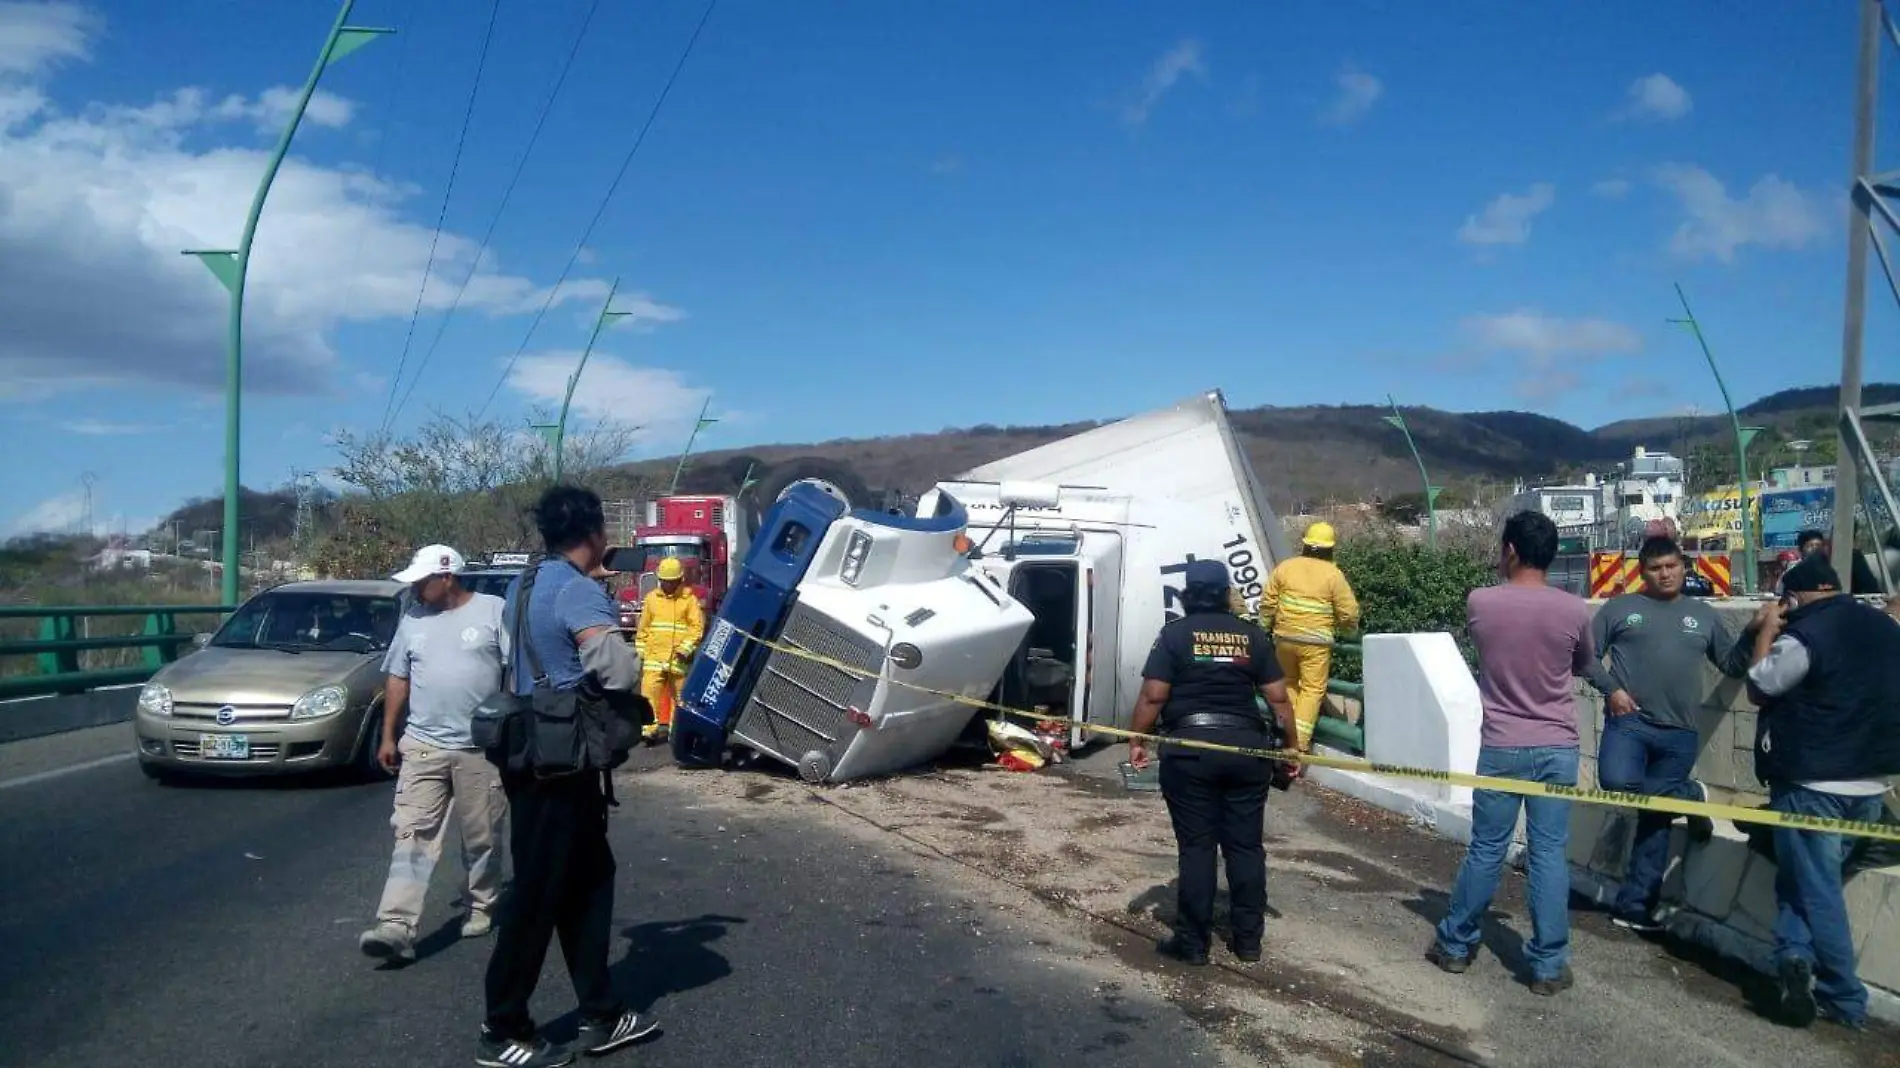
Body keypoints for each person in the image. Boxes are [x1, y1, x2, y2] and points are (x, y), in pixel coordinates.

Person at [479, 487, 657, 1068]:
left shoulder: (522, 585)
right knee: (538, 892)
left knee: (587, 878)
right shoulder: (580, 592)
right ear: (595, 532)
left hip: (528, 748)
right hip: (564, 759)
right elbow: (615, 668)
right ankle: (503, 1026)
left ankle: (602, 1011)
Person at [1428, 511, 1593, 995]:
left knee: (1486, 848)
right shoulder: (1574, 609)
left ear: (1512, 551)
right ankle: (1547, 965)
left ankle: (1455, 945)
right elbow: (1583, 663)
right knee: (1547, 855)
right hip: (1557, 745)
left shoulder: (1481, 602)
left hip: (1501, 743)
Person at [1745, 557, 1900, 1031]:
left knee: (1819, 890)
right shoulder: (1885, 628)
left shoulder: (1804, 636)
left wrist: (1764, 632)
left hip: (1812, 783)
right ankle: (1793, 956)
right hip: (1871, 783)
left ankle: (1843, 996)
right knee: (1803, 881)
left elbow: (1759, 686)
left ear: (1795, 598)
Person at [1128, 559, 1296, 967]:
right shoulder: (1252, 636)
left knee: (1198, 847)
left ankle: (1193, 943)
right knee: (1245, 845)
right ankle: (1248, 942)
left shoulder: (1174, 635)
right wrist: (1291, 748)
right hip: (1247, 752)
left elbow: (1153, 696)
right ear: (1226, 594)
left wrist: (1138, 741)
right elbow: (1278, 700)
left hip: (1189, 753)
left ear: (1187, 594)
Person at [1583, 535, 1750, 933]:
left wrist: (1758, 629)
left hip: (1680, 732)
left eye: (1671, 566)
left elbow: (1732, 664)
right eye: (1656, 568)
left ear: (1683, 566)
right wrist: (1613, 690)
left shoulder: (1704, 615)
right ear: (1642, 572)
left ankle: (1635, 907)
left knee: (1655, 816)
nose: (1665, 574)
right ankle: (1691, 797)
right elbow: (1585, 657)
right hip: (1631, 723)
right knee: (1616, 780)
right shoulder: (1620, 608)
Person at [359, 544, 510, 963]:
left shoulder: (493, 611)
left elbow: (514, 673)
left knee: (482, 837)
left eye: (422, 581)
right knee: (412, 833)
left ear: (447, 576)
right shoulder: (413, 620)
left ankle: (481, 902)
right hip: (424, 746)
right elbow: (398, 677)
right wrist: (389, 735)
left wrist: (514, 729)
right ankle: (396, 924)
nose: (416, 589)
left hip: (480, 748)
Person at [1258, 521, 1360, 754]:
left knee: (1289, 685)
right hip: (1316, 643)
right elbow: (1349, 611)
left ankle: (1284, 735)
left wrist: (1264, 627)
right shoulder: (1333, 575)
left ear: (1305, 544)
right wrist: (1347, 631)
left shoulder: (1286, 567)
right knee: (1313, 690)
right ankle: (1299, 744)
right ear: (1330, 549)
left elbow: (1268, 603)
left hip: (1284, 639)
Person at [634, 556, 705, 744]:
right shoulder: (651, 599)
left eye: (670, 581)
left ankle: (676, 731)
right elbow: (644, 627)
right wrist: (641, 651)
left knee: (679, 697)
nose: (666, 585)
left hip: (677, 658)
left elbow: (696, 628)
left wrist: (686, 648)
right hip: (654, 656)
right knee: (649, 695)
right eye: (664, 581)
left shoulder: (689, 600)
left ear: (679, 580)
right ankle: (649, 731)